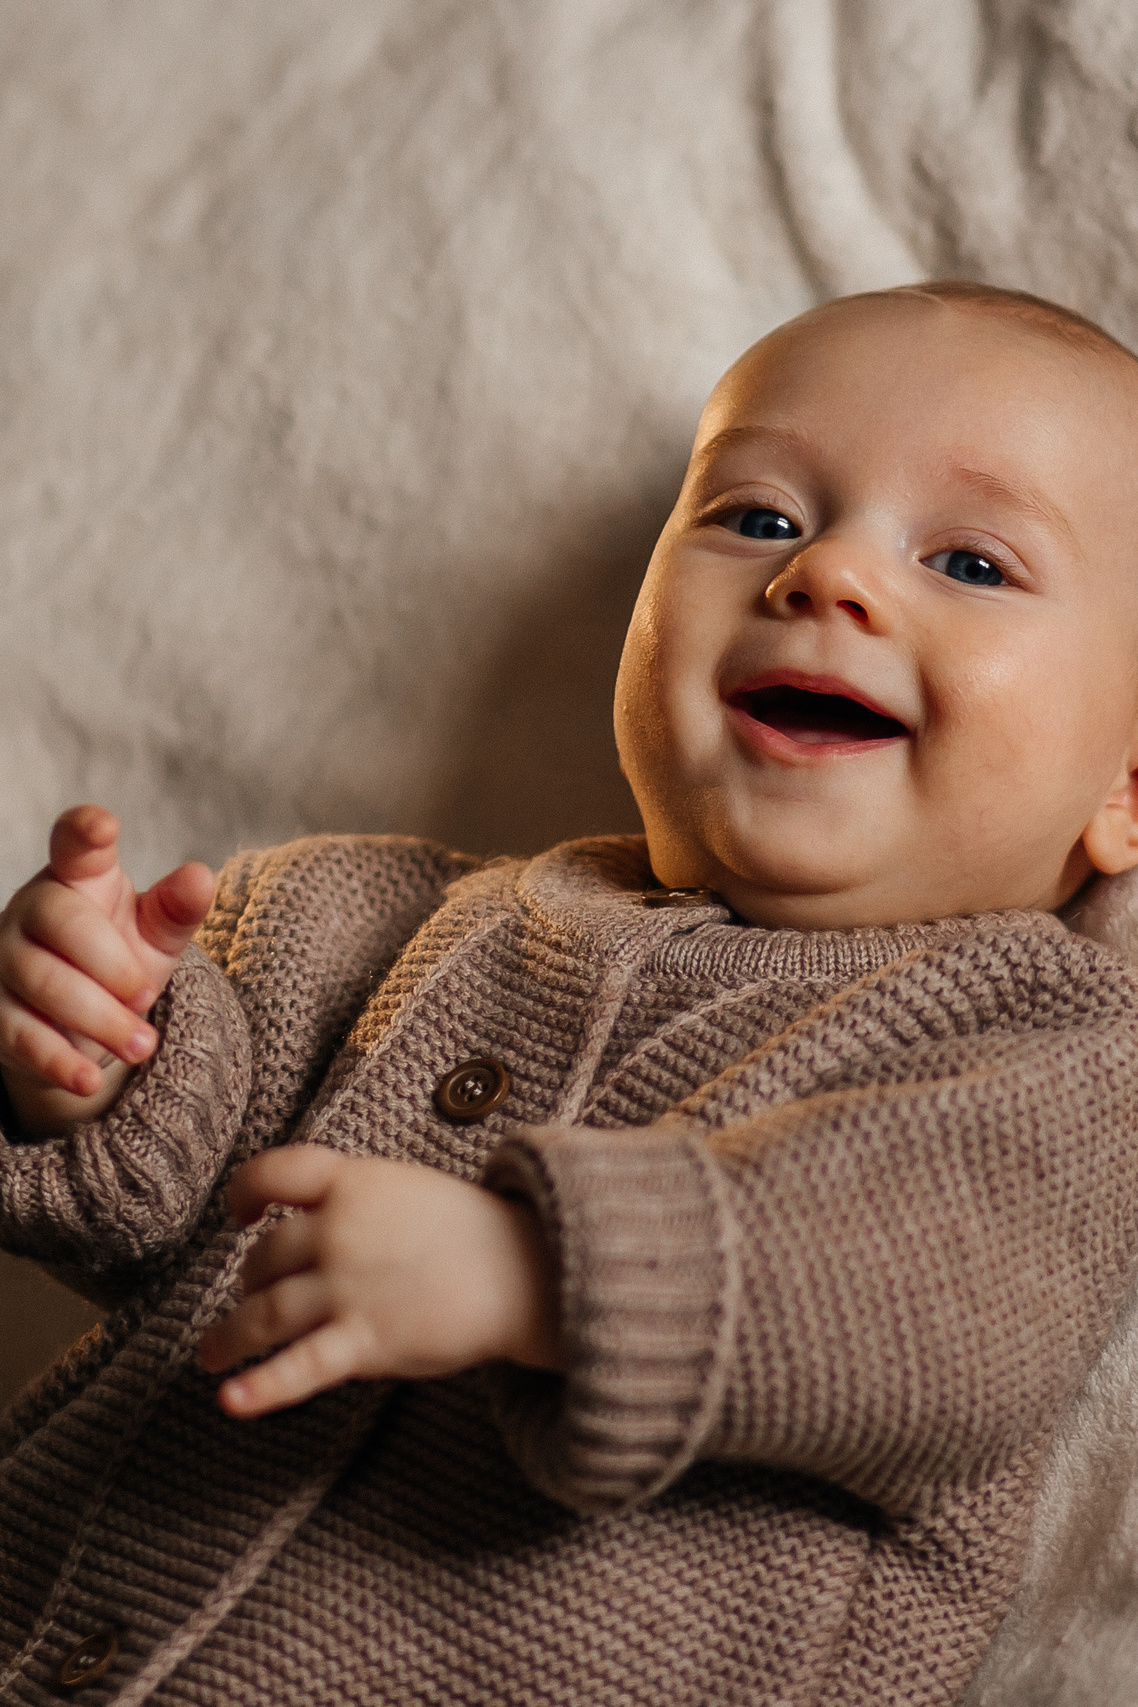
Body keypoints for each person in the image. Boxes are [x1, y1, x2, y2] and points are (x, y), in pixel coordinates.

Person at [1, 280, 1137, 1704]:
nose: (824, 576)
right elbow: (141, 1214)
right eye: (757, 517)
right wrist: (86, 1047)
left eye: (969, 563)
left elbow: (953, 1306)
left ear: (1123, 791)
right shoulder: (358, 916)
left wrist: (538, 1277)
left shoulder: (1040, 1038)